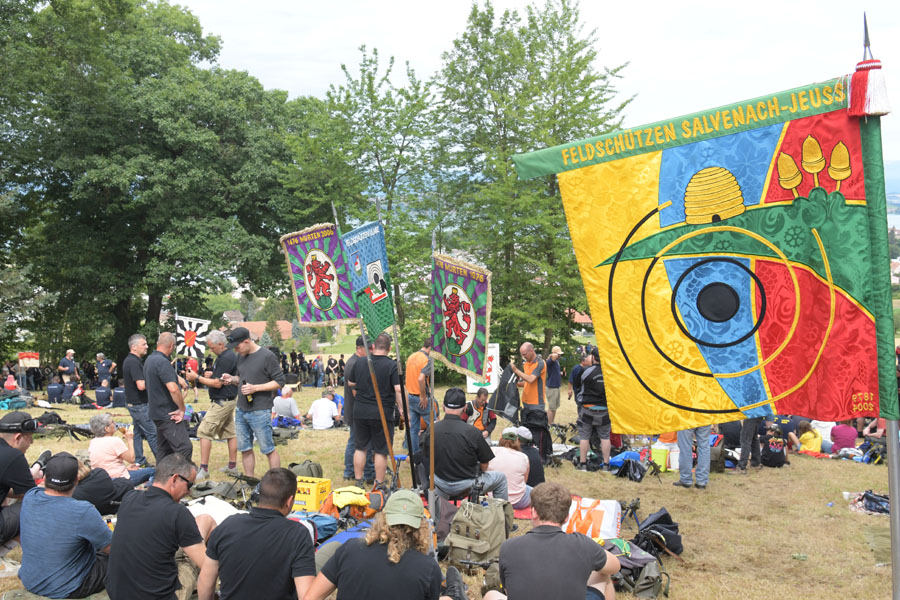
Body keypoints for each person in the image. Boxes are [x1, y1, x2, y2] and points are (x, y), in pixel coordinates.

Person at [304, 490, 465, 600]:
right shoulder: (428, 568)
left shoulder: (349, 549)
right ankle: (453, 597)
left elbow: (311, 597)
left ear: (382, 519)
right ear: (422, 527)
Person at [483, 482, 620, 600]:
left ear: (533, 512)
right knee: (603, 575)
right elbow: (615, 566)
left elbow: (509, 590)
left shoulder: (508, 547)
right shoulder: (583, 544)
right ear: (566, 517)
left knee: (491, 595)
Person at [107, 454, 216, 600]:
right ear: (175, 479)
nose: (189, 492)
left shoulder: (130, 498)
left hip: (117, 592)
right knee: (207, 524)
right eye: (189, 485)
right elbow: (207, 565)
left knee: (204, 520)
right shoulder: (177, 513)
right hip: (161, 595)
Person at [198, 468, 316, 600]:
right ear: (289, 501)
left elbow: (205, 582)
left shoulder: (227, 526)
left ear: (259, 494)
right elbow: (307, 595)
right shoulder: (298, 535)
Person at [18, 452, 112, 599]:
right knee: (120, 558)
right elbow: (112, 549)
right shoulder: (82, 511)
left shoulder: (30, 496)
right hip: (67, 588)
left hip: (30, 581)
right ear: (77, 480)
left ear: (44, 477)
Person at [220, 326, 285, 478]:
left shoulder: (267, 356)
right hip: (241, 410)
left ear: (247, 341)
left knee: (268, 449)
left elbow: (279, 382)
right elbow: (241, 378)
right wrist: (231, 379)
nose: (236, 350)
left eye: (237, 346)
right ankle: (249, 480)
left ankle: (276, 481)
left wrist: (255, 388)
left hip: (260, 410)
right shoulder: (240, 356)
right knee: (245, 448)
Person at [422, 388, 508, 501]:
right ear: (465, 408)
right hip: (467, 484)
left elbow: (426, 456)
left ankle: (438, 508)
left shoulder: (432, 429)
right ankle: (500, 512)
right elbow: (484, 465)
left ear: (443, 406)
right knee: (501, 478)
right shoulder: (473, 432)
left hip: (439, 480)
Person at [348, 333, 403, 488]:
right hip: (382, 413)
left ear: (373, 346)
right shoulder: (392, 365)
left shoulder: (360, 362)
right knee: (381, 450)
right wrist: (401, 408)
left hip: (360, 411)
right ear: (389, 348)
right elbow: (398, 389)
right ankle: (379, 484)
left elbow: (351, 382)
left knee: (360, 448)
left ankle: (359, 481)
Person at [184, 330, 240, 480]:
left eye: (212, 347)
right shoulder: (224, 356)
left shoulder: (226, 358)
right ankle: (232, 467)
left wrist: (197, 377)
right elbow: (218, 377)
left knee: (203, 431)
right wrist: (210, 374)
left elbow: (217, 384)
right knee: (230, 433)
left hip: (222, 401)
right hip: (227, 400)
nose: (211, 350)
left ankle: (204, 469)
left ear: (221, 344)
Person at [0, 411, 40, 568]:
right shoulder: (13, 456)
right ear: (17, 438)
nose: (31, 443)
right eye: (30, 438)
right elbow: (32, 497)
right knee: (37, 506)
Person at [145, 333, 192, 461]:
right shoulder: (162, 362)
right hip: (169, 414)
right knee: (184, 447)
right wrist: (182, 409)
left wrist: (177, 377)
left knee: (164, 449)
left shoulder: (150, 359)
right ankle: (181, 473)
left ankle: (161, 473)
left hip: (156, 412)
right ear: (171, 346)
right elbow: (173, 389)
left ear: (158, 344)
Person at [123, 333, 159, 467]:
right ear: (134, 347)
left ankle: (139, 460)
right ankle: (163, 463)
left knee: (137, 433)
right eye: (143, 344)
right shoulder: (133, 362)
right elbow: (141, 385)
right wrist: (156, 381)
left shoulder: (132, 360)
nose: (147, 346)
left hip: (134, 403)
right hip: (139, 405)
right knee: (153, 433)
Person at [88, 413, 155, 486]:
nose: (115, 423)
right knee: (153, 471)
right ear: (107, 428)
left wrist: (125, 469)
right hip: (119, 480)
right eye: (112, 422)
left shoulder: (93, 442)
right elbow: (131, 459)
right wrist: (130, 439)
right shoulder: (114, 441)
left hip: (101, 480)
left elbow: (105, 463)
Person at [342, 337, 375, 482]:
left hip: (354, 409)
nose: (371, 351)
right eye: (369, 348)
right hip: (357, 409)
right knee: (360, 443)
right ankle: (360, 472)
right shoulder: (355, 364)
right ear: (359, 348)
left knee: (355, 441)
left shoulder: (355, 361)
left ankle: (350, 471)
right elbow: (356, 392)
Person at [576, 350, 612, 471]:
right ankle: (606, 465)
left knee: (584, 437)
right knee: (605, 437)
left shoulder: (587, 371)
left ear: (593, 358)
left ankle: (583, 464)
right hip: (605, 409)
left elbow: (580, 387)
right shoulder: (610, 372)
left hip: (588, 408)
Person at [489, 428, 532, 509]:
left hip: (494, 498)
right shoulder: (524, 457)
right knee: (534, 491)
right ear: (517, 440)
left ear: (501, 438)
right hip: (518, 501)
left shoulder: (491, 451)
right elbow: (524, 482)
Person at [405, 339, 434, 454]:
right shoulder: (427, 359)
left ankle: (415, 454)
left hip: (410, 396)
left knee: (414, 429)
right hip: (421, 399)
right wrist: (423, 396)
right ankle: (434, 452)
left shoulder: (412, 356)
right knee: (434, 427)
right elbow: (421, 378)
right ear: (430, 348)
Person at [509, 342, 545, 414]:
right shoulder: (526, 364)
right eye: (522, 354)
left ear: (531, 351)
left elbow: (531, 379)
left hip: (536, 403)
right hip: (525, 401)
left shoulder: (540, 363)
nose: (523, 356)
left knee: (536, 421)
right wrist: (516, 383)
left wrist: (515, 370)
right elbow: (527, 382)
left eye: (525, 354)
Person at [674, 423, 712, 489]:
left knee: (685, 447)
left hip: (687, 418)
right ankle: (702, 481)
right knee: (704, 446)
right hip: (705, 417)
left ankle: (686, 479)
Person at [544, 345, 563, 425]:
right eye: (559, 354)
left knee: (554, 407)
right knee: (551, 408)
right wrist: (553, 354)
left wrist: (559, 373)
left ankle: (552, 423)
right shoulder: (550, 361)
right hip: (551, 387)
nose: (560, 355)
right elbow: (552, 357)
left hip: (556, 387)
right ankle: (548, 425)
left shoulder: (556, 361)